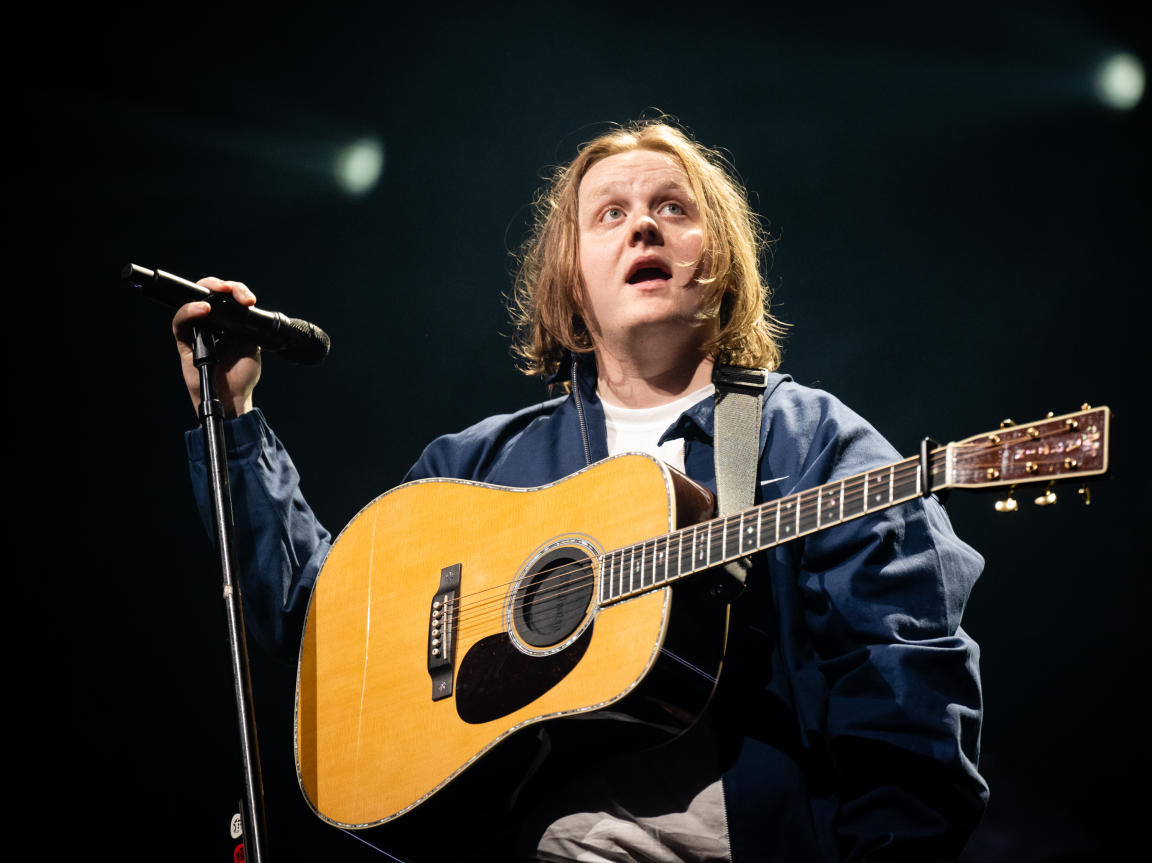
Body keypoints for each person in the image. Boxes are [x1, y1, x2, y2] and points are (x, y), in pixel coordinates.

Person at [176, 120, 988, 862]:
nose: (644, 224)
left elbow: (907, 691)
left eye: (674, 207)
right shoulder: (478, 467)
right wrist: (235, 417)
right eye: (610, 213)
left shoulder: (812, 443)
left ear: (722, 264)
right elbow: (325, 634)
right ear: (570, 282)